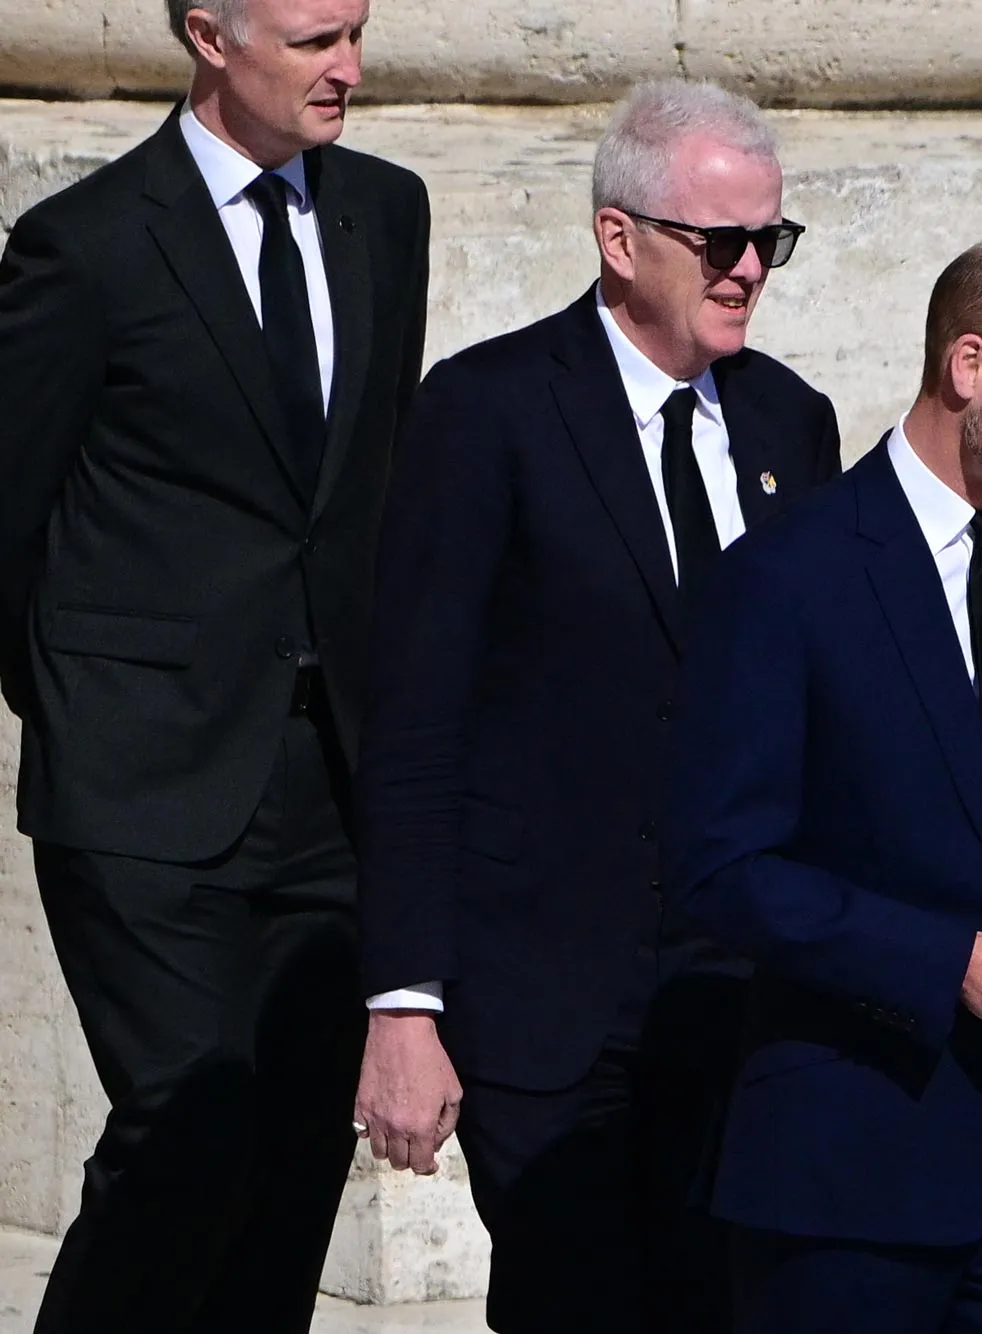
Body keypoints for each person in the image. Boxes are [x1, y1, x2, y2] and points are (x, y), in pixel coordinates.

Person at [349, 79, 839, 1333]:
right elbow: (414, 722)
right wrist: (404, 1002)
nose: (746, 270)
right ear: (618, 239)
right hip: (547, 997)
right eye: (716, 241)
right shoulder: (488, 411)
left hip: (737, 994)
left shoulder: (791, 421)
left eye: (765, 241)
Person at [0, 0, 429, 1328]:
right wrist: (91, 701)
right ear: (208, 36)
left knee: (295, 1160)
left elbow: (363, 493)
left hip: (333, 786)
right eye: (311, 39)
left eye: (355, 31)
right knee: (190, 1123)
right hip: (141, 787)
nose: (346, 68)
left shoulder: (386, 214)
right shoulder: (89, 245)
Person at [661, 235, 982, 1332]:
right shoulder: (785, 577)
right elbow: (721, 867)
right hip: (849, 1174)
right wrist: (948, 963)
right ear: (966, 364)